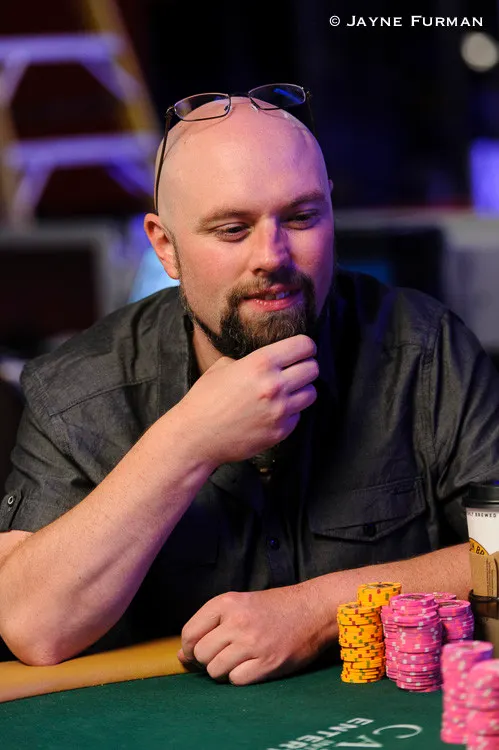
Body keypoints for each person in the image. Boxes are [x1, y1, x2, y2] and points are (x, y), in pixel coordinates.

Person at [1, 85, 499, 686]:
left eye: (301, 218)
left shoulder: (426, 350)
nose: (273, 256)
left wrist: (322, 610)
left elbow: (497, 553)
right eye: (233, 229)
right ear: (166, 247)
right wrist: (189, 439)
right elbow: (33, 627)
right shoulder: (78, 389)